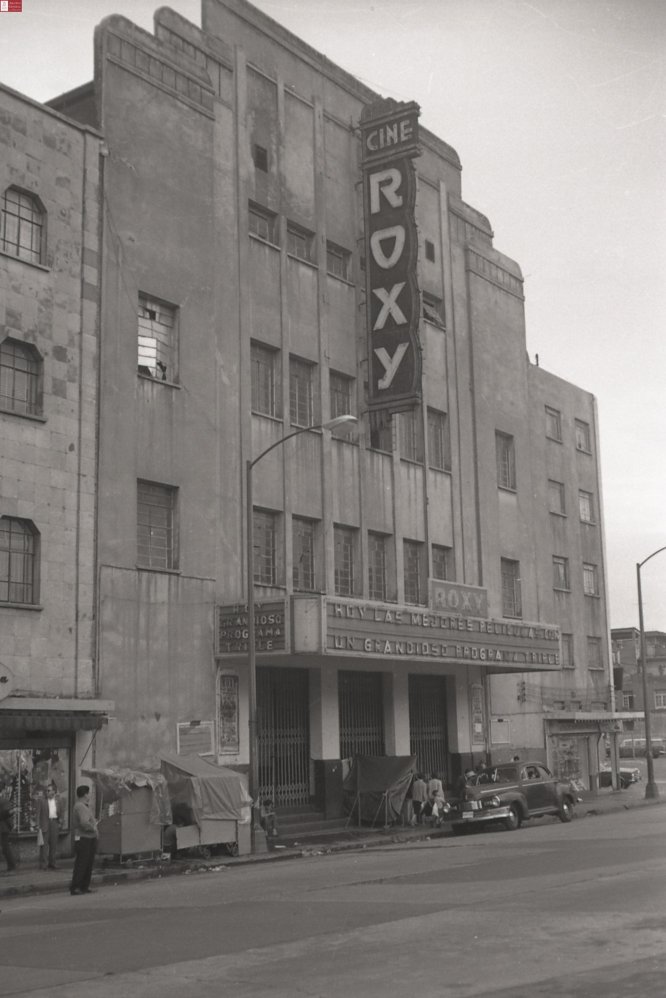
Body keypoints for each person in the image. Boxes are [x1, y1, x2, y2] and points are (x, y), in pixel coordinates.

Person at [69, 785, 98, 896]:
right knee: (82, 863)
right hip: (83, 838)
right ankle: (76, 886)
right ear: (85, 794)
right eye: (89, 793)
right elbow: (84, 823)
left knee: (88, 863)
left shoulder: (84, 806)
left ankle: (84, 886)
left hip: (89, 838)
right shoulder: (80, 806)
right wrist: (93, 827)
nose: (90, 795)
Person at [36, 783, 62, 870]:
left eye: (49, 790)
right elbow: (38, 813)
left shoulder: (58, 800)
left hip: (54, 823)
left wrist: (60, 821)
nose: (47, 792)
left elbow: (61, 812)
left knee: (53, 844)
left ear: (54, 791)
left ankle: (52, 863)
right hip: (45, 823)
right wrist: (38, 825)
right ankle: (44, 864)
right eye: (46, 790)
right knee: (44, 846)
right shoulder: (41, 800)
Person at [0, 793, 17, 875]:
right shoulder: (4, 800)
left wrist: (12, 811)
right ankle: (11, 867)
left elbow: (5, 814)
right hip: (4, 828)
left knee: (6, 848)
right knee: (5, 848)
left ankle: (12, 867)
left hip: (3, 828)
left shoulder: (3, 801)